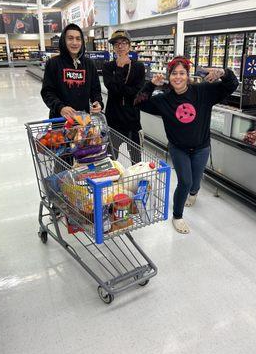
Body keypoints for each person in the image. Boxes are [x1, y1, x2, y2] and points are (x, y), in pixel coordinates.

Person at [134, 56, 239, 234]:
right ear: (169, 76)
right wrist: (151, 84)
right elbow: (138, 103)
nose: (178, 77)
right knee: (185, 182)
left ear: (187, 75)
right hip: (178, 148)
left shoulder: (203, 91)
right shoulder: (164, 99)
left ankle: (194, 191)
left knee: (194, 183)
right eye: (174, 73)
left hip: (202, 147)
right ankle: (177, 216)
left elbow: (232, 85)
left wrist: (223, 73)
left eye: (182, 73)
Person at [41, 23, 103, 120]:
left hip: (83, 121)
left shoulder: (89, 64)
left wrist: (97, 101)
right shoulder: (53, 63)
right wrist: (60, 107)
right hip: (60, 120)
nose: (75, 42)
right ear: (63, 41)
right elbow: (47, 92)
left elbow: (95, 90)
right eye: (70, 38)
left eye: (78, 39)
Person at [102, 30, 145, 163]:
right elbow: (112, 89)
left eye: (124, 43)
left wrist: (119, 88)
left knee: (136, 159)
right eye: (116, 43)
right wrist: (120, 68)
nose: (120, 46)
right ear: (113, 47)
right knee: (111, 159)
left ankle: (138, 182)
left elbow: (136, 92)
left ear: (129, 46)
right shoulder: (108, 67)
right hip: (113, 120)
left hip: (132, 120)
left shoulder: (138, 67)